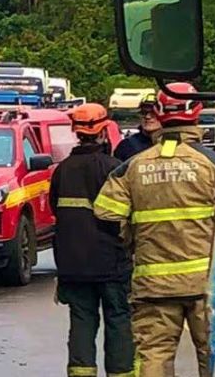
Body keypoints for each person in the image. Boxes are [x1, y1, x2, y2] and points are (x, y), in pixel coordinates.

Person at [94, 82, 215, 377]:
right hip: (207, 284)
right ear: (197, 113)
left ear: (160, 114)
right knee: (213, 355)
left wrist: (130, 241)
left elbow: (105, 215)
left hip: (153, 284)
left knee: (153, 357)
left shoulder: (131, 167)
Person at [49, 103, 134, 377]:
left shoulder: (62, 170)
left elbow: (56, 211)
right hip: (111, 263)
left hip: (73, 264)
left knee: (82, 321)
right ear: (103, 131)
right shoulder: (114, 168)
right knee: (118, 320)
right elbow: (126, 216)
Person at [113, 94, 162, 162]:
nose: (148, 117)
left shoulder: (175, 143)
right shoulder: (127, 146)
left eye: (153, 113)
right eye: (144, 113)